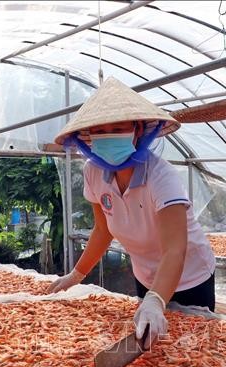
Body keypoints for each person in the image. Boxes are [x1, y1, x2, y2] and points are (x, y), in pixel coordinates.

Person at [48, 77, 216, 349]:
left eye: (118, 127)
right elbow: (103, 230)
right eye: (101, 130)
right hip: (145, 274)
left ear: (137, 130)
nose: (109, 134)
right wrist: (76, 275)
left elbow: (175, 249)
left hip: (188, 275)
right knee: (151, 347)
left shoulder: (160, 175)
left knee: (191, 348)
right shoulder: (93, 172)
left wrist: (156, 300)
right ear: (89, 137)